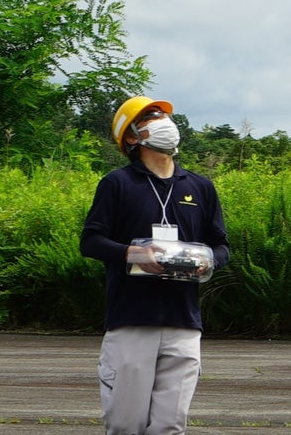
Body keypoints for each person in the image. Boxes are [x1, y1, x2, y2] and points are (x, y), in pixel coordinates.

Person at [81, 96, 230, 435]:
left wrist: (205, 261)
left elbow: (222, 246)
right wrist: (134, 254)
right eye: (150, 116)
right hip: (132, 321)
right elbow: (90, 241)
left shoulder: (200, 187)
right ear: (132, 137)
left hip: (184, 323)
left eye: (163, 115)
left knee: (170, 426)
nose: (163, 121)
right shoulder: (117, 184)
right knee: (125, 425)